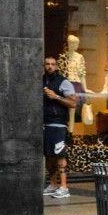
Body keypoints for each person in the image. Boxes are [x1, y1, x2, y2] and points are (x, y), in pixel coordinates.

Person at [43, 56, 79, 198]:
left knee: (59, 155)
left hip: (58, 124)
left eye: (53, 64)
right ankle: (53, 184)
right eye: (47, 64)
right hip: (44, 124)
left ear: (57, 67)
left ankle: (64, 187)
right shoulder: (41, 80)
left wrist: (56, 96)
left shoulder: (63, 82)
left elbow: (73, 103)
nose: (50, 66)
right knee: (48, 156)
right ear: (44, 66)